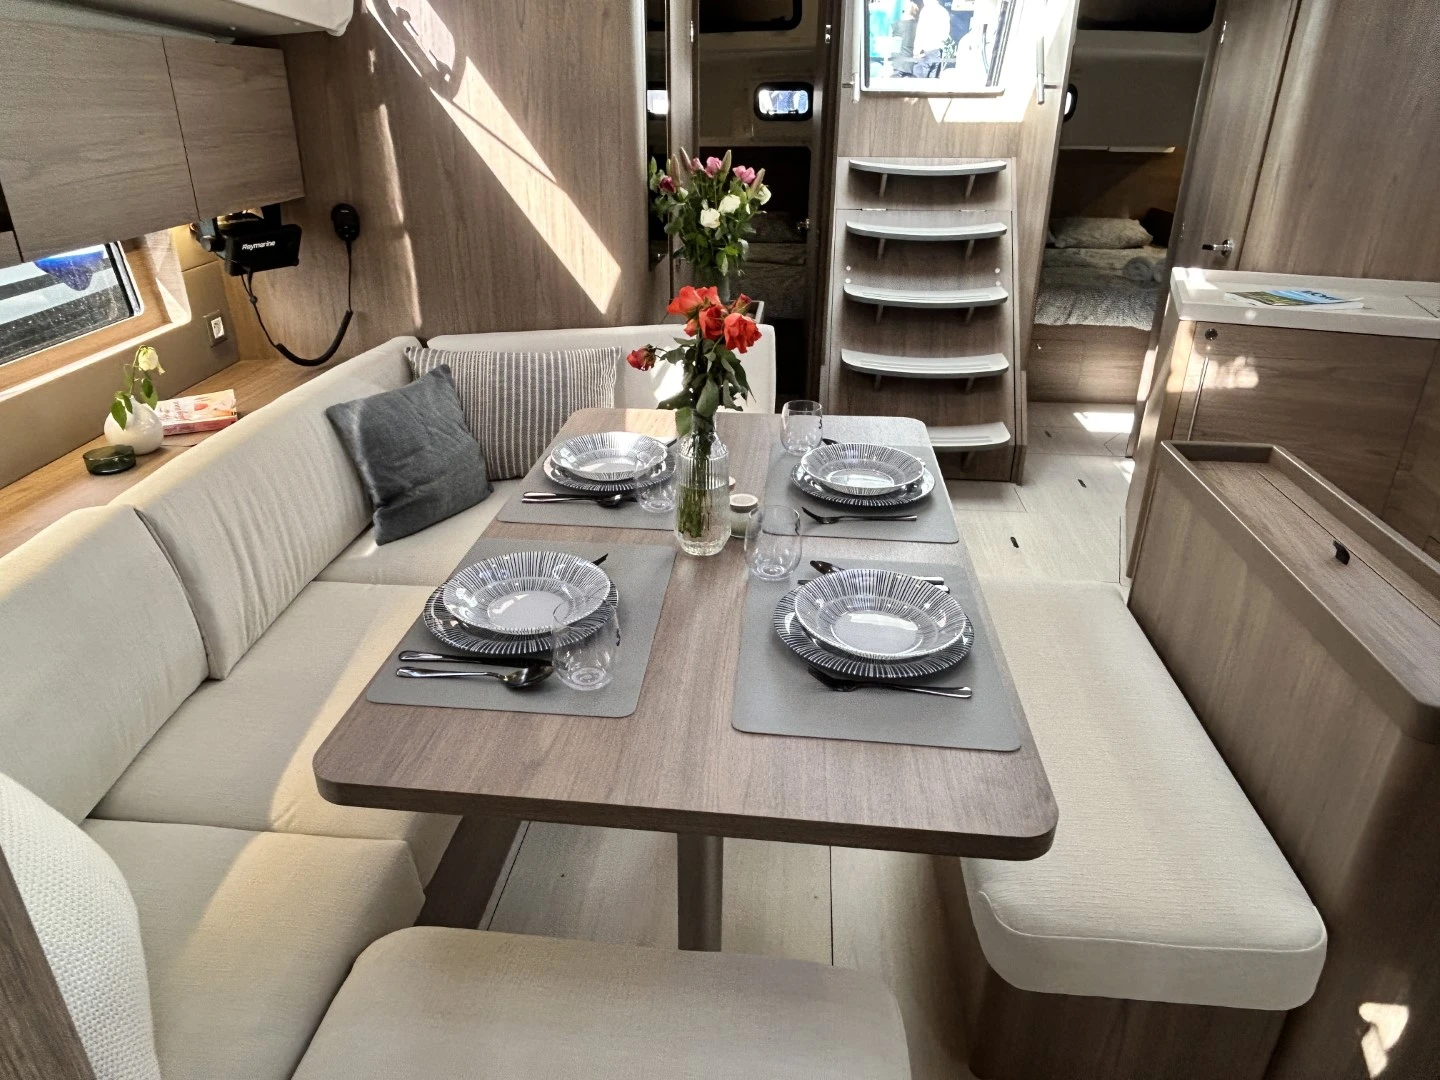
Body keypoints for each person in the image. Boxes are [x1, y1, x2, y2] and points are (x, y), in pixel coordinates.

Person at [913, 0, 951, 76]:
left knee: (918, 79)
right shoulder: (944, 12)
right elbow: (946, 34)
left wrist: (916, 50)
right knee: (932, 79)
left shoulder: (926, 10)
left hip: (925, 50)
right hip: (937, 51)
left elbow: (921, 31)